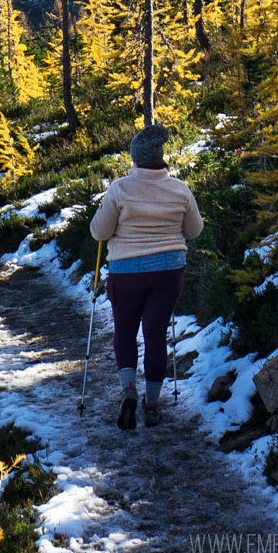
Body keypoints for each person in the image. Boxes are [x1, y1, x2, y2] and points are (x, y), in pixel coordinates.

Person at [89, 123, 203, 428]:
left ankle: (128, 388)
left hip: (126, 270)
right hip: (168, 270)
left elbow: (99, 231)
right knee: (155, 335)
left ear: (135, 159)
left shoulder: (120, 189)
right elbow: (194, 231)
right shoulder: (180, 189)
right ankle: (152, 405)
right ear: (161, 158)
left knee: (125, 332)